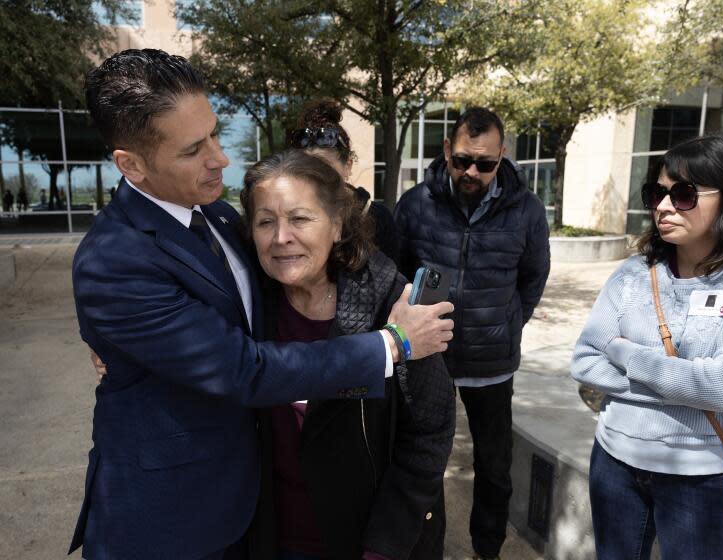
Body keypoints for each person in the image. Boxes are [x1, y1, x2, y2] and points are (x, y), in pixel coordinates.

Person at [70, 48, 453, 560]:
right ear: (131, 165)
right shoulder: (112, 263)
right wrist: (393, 345)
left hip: (264, 516)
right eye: (192, 150)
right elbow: (244, 369)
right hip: (173, 526)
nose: (219, 158)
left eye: (214, 134)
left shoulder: (222, 219)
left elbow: (424, 432)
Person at [571, 135, 723, 559]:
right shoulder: (633, 273)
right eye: (657, 193)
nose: (663, 206)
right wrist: (684, 384)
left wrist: (626, 354)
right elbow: (587, 362)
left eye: (683, 194)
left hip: (706, 478)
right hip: (614, 462)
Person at [243, 150, 455, 560]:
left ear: (337, 224)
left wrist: (384, 546)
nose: (281, 236)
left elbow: (429, 433)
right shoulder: (248, 306)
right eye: (265, 221)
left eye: (300, 219)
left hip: (367, 542)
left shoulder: (392, 306)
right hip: (275, 538)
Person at [393, 107, 550, 560]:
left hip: (492, 367)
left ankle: (487, 550)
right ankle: (429, 549)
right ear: (447, 150)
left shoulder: (526, 210)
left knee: (494, 469)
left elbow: (534, 275)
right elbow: (398, 272)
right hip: (428, 361)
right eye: (462, 160)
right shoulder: (416, 203)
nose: (472, 171)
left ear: (502, 156)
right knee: (426, 464)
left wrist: (508, 323)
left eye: (485, 163)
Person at [289, 99, 400, 264]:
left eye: (324, 168)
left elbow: (395, 283)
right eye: (304, 169)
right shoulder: (285, 219)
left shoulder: (378, 219)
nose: (313, 177)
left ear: (348, 165)